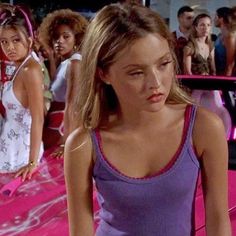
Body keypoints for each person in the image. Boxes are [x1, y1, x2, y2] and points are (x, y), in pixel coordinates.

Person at [64, 3, 231, 236]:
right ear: (104, 74)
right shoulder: (84, 144)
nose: (155, 83)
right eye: (136, 72)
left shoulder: (203, 128)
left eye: (163, 64)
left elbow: (219, 221)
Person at [0, 5, 44, 180]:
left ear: (29, 40)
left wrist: (32, 162)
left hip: (18, 154)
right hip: (11, 145)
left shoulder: (29, 70)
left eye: (16, 40)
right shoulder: (22, 65)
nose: (9, 47)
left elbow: (38, 117)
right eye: (4, 41)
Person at [38, 9, 88, 150]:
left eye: (66, 37)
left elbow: (73, 104)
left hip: (60, 128)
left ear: (77, 39)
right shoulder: (66, 62)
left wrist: (66, 140)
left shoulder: (75, 63)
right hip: (54, 124)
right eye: (55, 37)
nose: (59, 41)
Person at [183, 13, 231, 138]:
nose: (205, 28)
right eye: (202, 25)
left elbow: (213, 69)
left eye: (208, 25)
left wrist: (216, 85)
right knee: (193, 113)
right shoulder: (190, 46)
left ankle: (222, 139)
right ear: (196, 27)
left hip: (210, 84)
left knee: (221, 111)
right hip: (196, 86)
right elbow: (187, 72)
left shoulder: (210, 45)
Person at [172, 5, 194, 74]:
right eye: (189, 18)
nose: (192, 21)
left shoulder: (197, 37)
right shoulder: (170, 38)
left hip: (195, 78)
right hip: (176, 77)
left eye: (193, 18)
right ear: (180, 19)